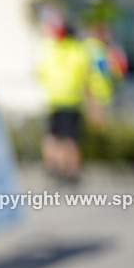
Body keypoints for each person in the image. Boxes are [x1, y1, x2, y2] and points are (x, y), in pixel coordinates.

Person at [37, 16, 91, 182]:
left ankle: (55, 166)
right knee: (70, 138)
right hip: (72, 99)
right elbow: (85, 77)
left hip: (54, 99)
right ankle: (71, 171)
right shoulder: (78, 50)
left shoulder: (51, 48)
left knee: (53, 136)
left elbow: (41, 73)